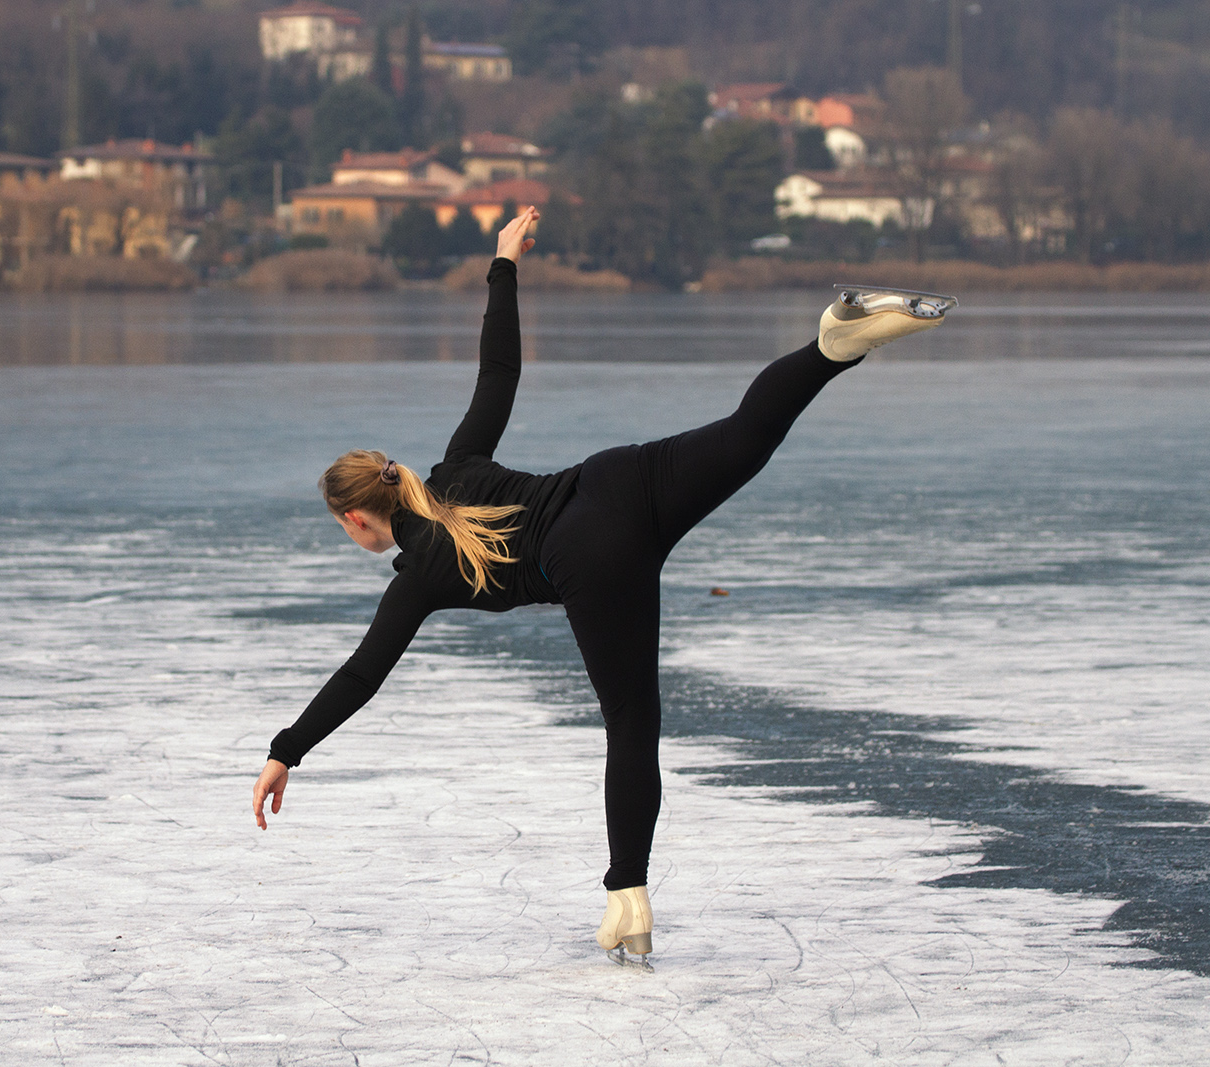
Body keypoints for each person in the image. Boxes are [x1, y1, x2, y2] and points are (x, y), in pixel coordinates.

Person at [251, 207, 949, 961]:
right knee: (749, 431)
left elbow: (362, 673)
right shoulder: (455, 467)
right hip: (616, 477)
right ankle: (830, 346)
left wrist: (288, 748)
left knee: (631, 719)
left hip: (590, 555)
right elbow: (499, 370)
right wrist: (503, 261)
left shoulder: (416, 577)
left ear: (356, 516)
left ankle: (629, 898)